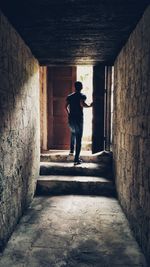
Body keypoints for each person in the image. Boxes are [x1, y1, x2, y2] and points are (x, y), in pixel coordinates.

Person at [65, 81, 92, 165]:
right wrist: (90, 105)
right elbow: (82, 104)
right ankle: (76, 159)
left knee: (73, 133)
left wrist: (69, 113)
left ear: (74, 87)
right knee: (79, 138)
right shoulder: (82, 96)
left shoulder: (70, 96)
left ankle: (71, 150)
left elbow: (65, 107)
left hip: (71, 118)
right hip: (78, 119)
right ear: (81, 87)